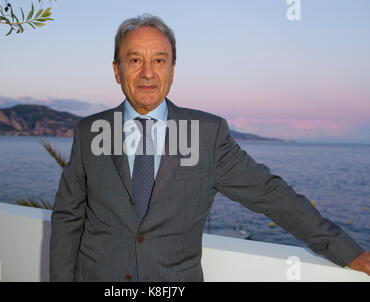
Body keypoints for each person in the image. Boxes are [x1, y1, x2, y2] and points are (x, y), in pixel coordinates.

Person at [49, 14, 369, 281]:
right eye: (135, 60)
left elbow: (272, 195)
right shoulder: (89, 132)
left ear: (172, 70)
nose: (148, 72)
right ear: (117, 70)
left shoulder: (207, 135)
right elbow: (68, 217)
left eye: (159, 60)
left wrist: (347, 251)